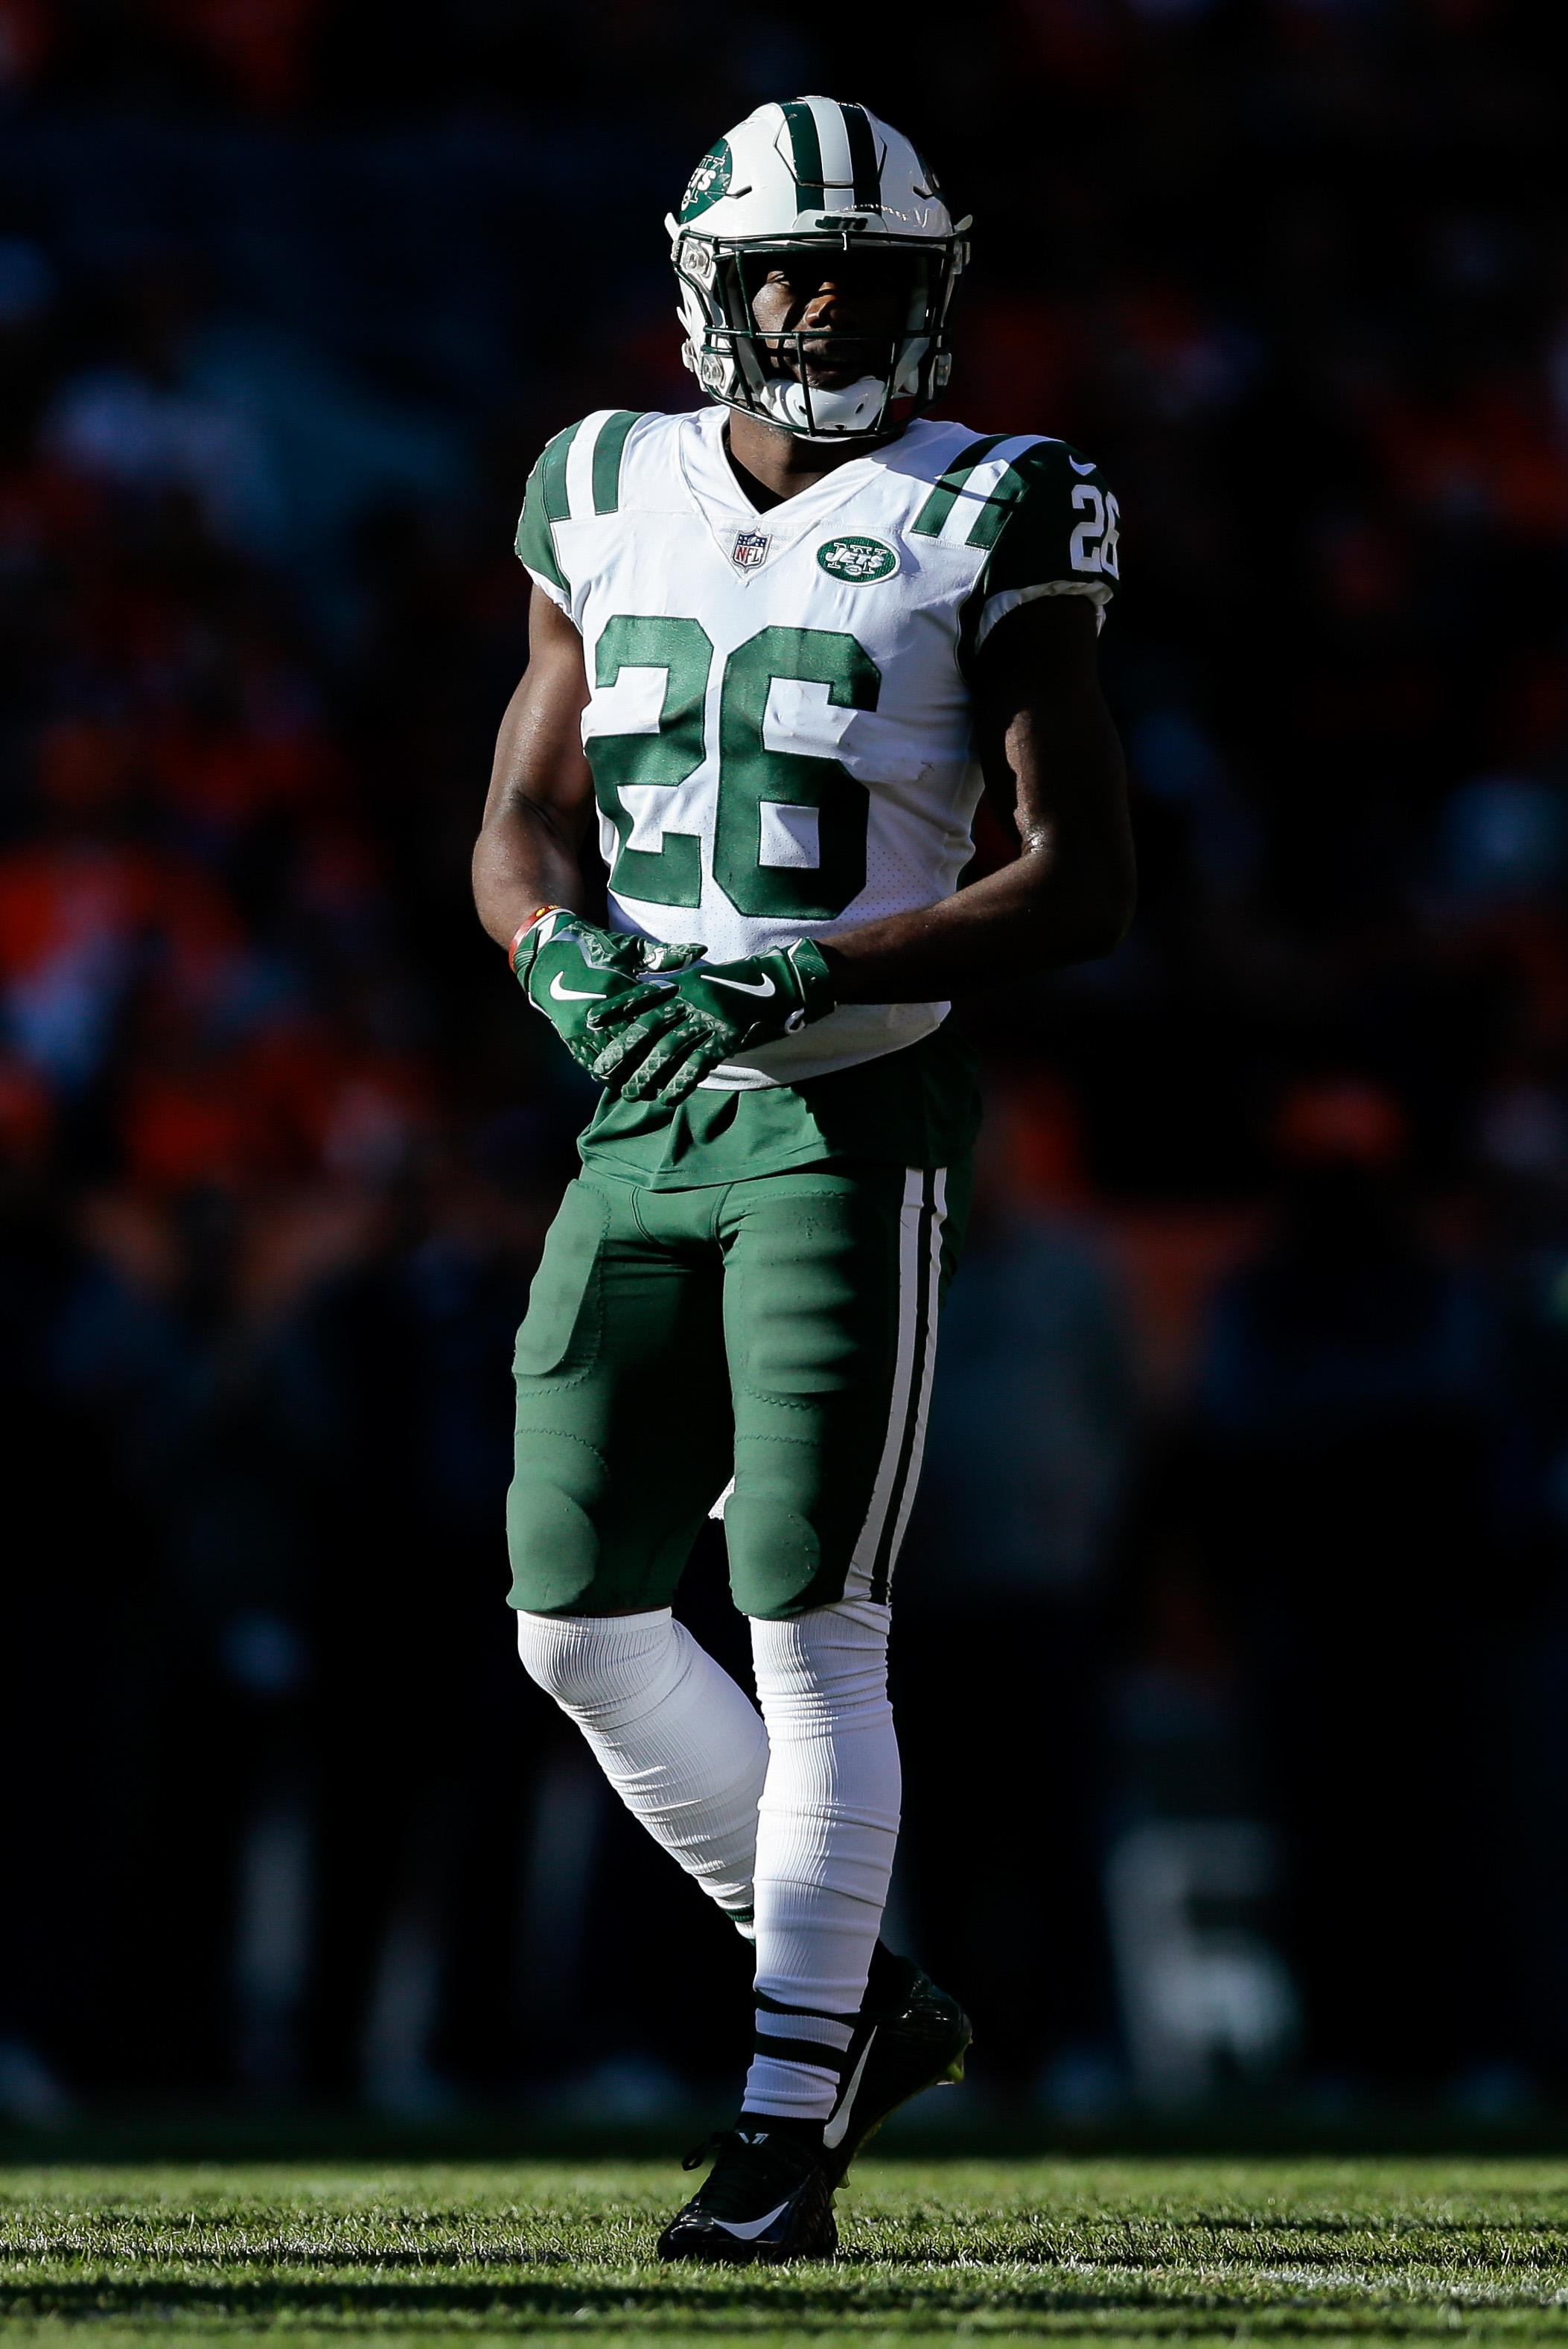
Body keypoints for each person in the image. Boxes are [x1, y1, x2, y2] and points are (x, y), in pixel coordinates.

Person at [472, 96, 1133, 2261]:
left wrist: (804, 974)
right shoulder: (597, 479)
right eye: (790, 273)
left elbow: (1078, 879)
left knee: (805, 1619)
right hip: (640, 1100)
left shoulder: (997, 503)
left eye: (868, 276)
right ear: (711, 287)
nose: (827, 307)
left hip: (849, 1110)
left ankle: (782, 2121)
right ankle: (860, 2002)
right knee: (568, 1613)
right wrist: (554, 945)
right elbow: (520, 815)